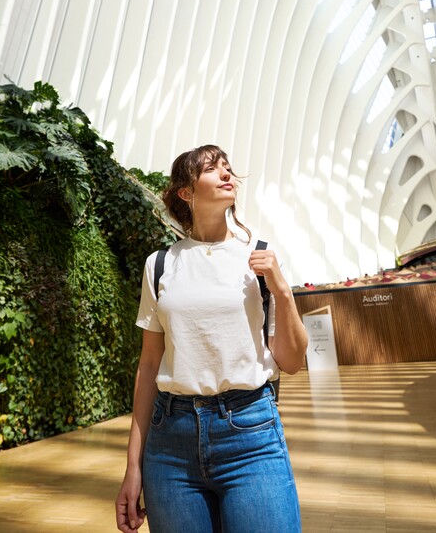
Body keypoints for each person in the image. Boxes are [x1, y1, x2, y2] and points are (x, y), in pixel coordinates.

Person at [115, 144, 309, 533]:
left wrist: (283, 291)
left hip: (251, 435)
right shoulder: (160, 264)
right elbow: (149, 365)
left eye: (228, 168)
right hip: (170, 444)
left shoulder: (261, 256)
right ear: (186, 192)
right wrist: (132, 467)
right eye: (211, 169)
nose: (226, 175)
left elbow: (291, 360)